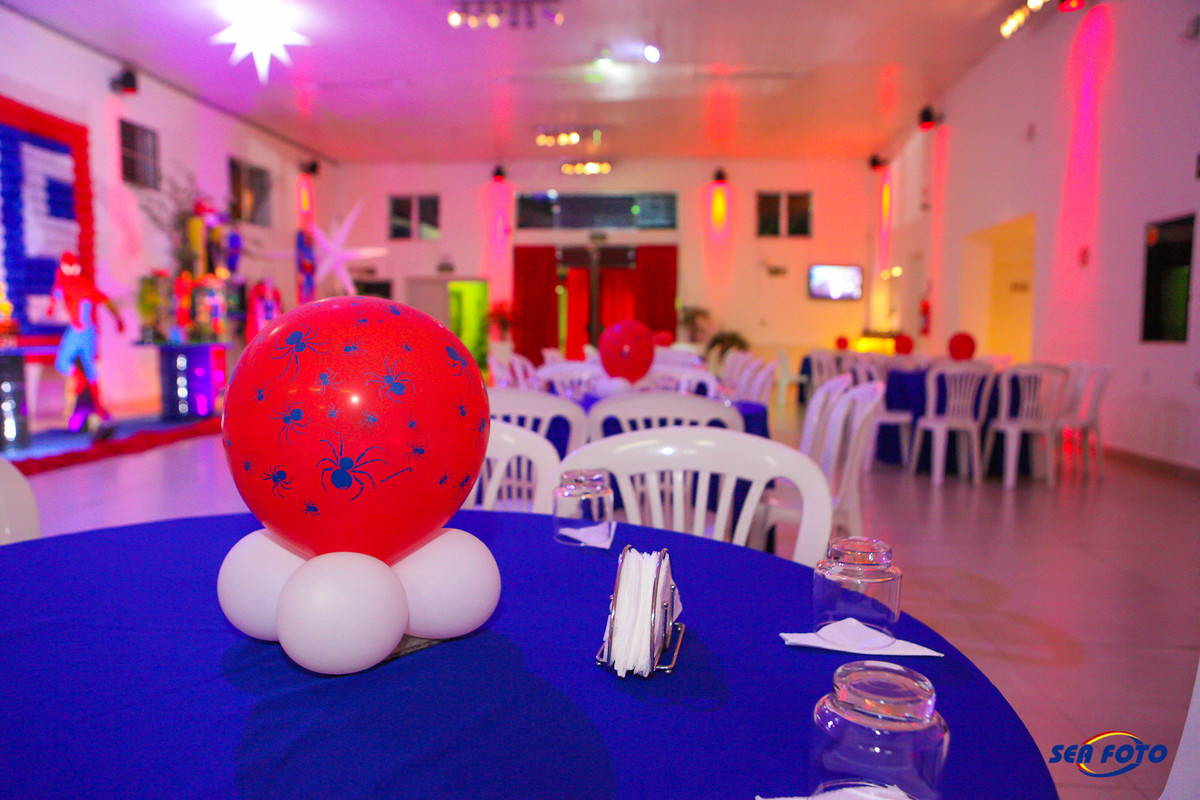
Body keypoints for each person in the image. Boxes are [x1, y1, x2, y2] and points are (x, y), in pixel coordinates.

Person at [47, 251, 124, 431]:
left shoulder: (83, 285)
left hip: (86, 332)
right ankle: (82, 384)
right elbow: (54, 300)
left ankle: (98, 408)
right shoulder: (63, 284)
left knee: (88, 367)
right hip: (78, 331)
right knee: (65, 364)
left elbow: (104, 299)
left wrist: (118, 319)